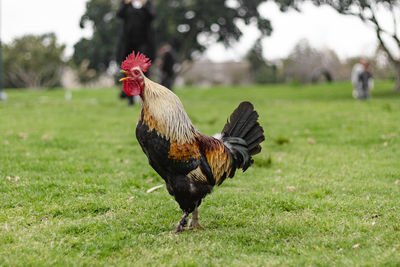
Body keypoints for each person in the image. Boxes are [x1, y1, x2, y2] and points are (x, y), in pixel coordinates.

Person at [116, 0, 155, 105]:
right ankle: (130, 98)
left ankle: (145, 98)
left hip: (143, 43)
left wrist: (145, 4)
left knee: (143, 71)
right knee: (129, 71)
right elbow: (119, 14)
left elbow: (152, 16)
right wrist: (126, 3)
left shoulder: (147, 4)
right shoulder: (126, 4)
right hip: (128, 43)